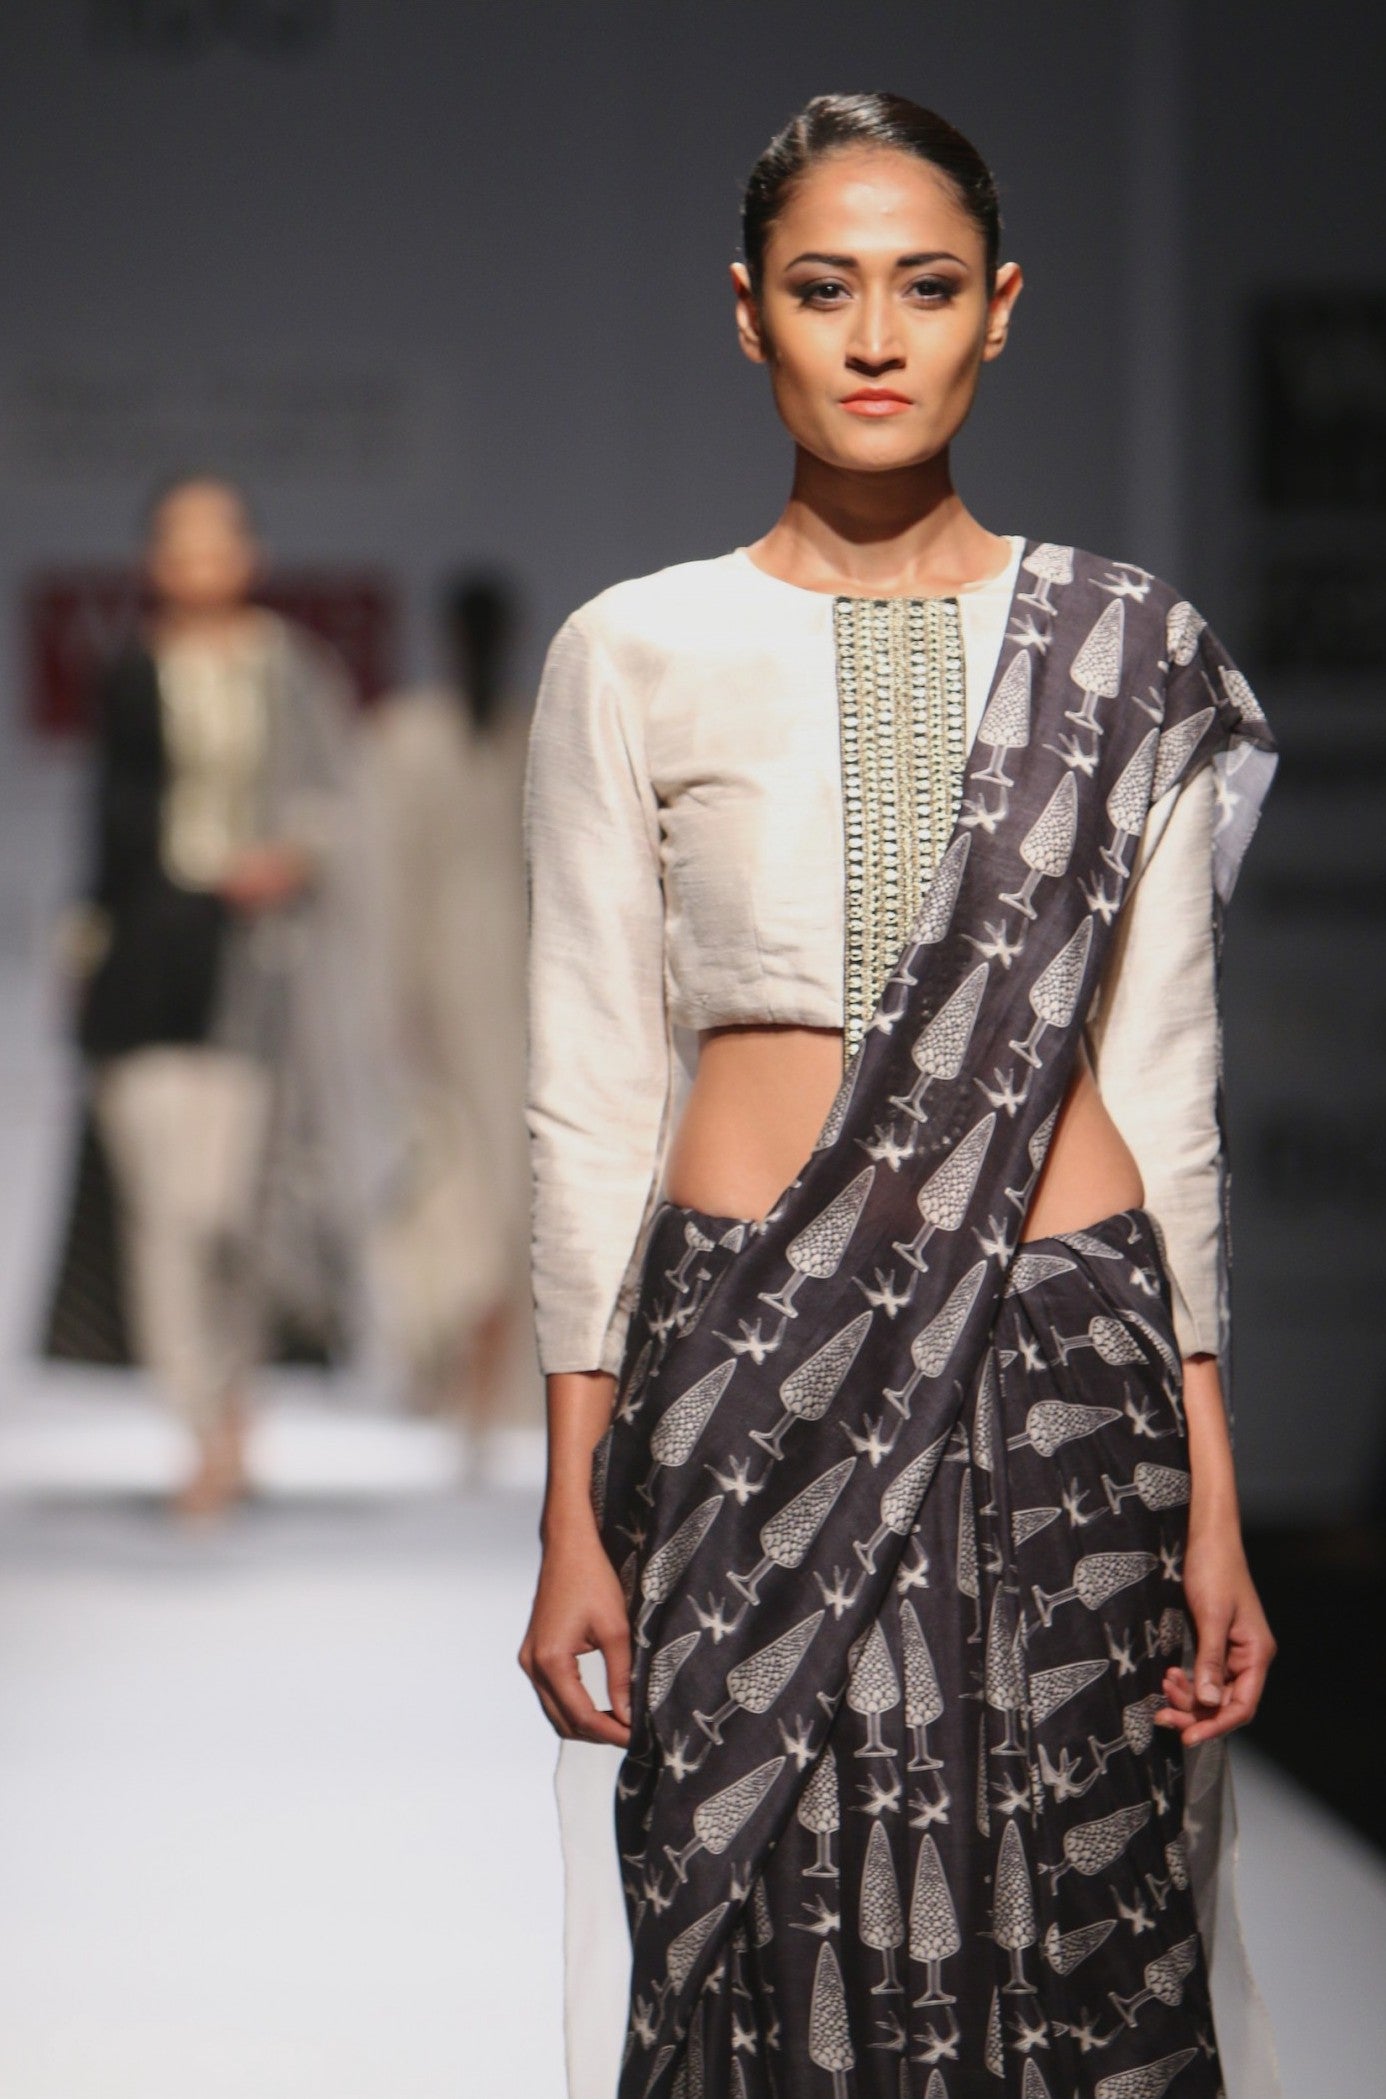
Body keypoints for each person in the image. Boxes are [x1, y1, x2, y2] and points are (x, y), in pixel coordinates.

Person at [520, 95, 1279, 2099]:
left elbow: (1166, 1079)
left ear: (1000, 310)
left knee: (1074, 1910)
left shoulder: (1128, 646)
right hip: (746, 1365)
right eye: (824, 288)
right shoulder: (636, 649)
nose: (876, 337)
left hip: (1061, 1356)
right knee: (759, 1923)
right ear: (746, 313)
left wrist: (1213, 1488)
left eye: (926, 288)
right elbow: (586, 1084)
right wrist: (568, 1505)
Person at [67, 475, 361, 1520]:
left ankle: (234, 1405)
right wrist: (84, 959)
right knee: (166, 1216)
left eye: (214, 540)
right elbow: (106, 839)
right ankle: (201, 1426)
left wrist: (295, 856)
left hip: (252, 973)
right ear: (153, 560)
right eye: (176, 542)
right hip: (144, 971)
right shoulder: (128, 669)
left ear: (250, 553)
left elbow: (340, 807)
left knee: (235, 1213)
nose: (196, 562)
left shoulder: (293, 669)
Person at [363, 572, 537, 1453]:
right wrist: (393, 997)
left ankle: (495, 1386)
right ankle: (439, 1368)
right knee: (442, 1182)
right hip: (435, 987)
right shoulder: (406, 736)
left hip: (528, 990)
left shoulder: (534, 731)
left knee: (520, 1185)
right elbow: (384, 878)